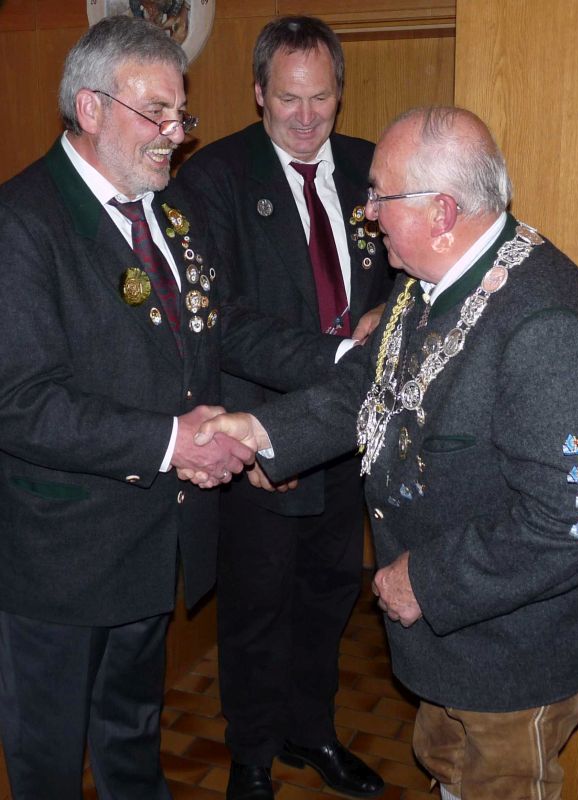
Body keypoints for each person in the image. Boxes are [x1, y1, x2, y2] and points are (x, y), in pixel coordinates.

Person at [196, 107, 578, 800]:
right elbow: (367, 381)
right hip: (452, 649)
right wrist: (259, 430)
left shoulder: (543, 326)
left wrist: (429, 581)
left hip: (509, 660)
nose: (368, 211)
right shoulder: (428, 277)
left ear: (442, 212)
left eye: (381, 194)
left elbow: (573, 521)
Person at [0, 15, 346, 800]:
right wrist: (171, 442)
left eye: (180, 114)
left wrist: (342, 359)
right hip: (60, 557)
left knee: (132, 739)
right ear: (90, 108)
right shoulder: (22, 222)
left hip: (153, 541)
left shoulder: (167, 210)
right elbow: (20, 403)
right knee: (47, 761)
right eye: (156, 112)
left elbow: (225, 329)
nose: (175, 134)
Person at [177, 16, 392, 800]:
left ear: (340, 93)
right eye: (289, 99)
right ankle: (253, 754)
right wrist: (267, 440)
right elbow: (218, 324)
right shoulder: (214, 178)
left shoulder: (371, 167)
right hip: (262, 429)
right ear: (259, 93)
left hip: (350, 435)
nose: (306, 117)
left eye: (321, 98)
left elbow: (410, 272)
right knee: (258, 607)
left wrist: (386, 313)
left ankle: (313, 731)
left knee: (330, 592)